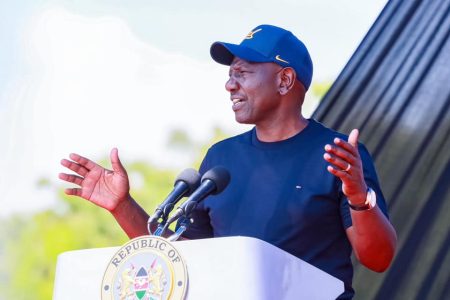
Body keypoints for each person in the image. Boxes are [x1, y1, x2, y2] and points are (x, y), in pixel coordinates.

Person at [59, 24, 397, 299]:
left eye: (243, 73)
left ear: (284, 80)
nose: (229, 84)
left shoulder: (336, 155)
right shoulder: (221, 158)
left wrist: (357, 195)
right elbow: (179, 261)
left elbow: (378, 259)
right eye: (230, 74)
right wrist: (122, 206)